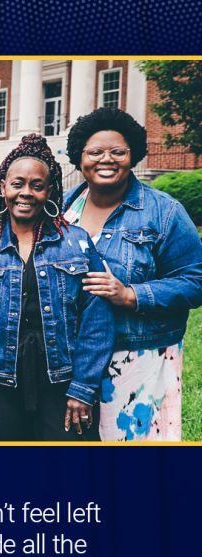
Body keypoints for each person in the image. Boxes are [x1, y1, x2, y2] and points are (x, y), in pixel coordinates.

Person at [0, 134, 114, 441]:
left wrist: (83, 389)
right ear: (3, 187)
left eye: (36, 185)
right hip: (2, 384)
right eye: (17, 184)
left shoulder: (77, 244)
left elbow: (97, 322)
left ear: (50, 190)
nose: (25, 193)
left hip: (63, 385)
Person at [64, 108, 202, 441]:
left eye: (118, 152)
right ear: (79, 158)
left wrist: (130, 294)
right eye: (95, 152)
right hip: (73, 359)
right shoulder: (64, 209)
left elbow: (196, 280)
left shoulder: (163, 211)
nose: (106, 159)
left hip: (138, 356)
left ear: (133, 156)